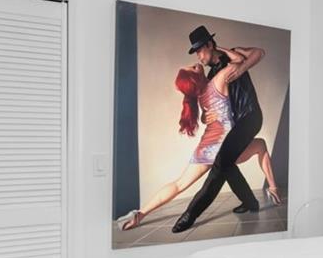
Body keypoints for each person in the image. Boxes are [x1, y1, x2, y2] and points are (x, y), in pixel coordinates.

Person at [117, 63, 281, 232]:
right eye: (192, 69)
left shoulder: (199, 96)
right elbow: (240, 62)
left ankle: (139, 214)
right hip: (226, 146)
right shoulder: (219, 79)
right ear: (196, 79)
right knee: (260, 145)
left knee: (179, 184)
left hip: (206, 148)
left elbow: (211, 109)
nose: (195, 64)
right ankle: (273, 189)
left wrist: (204, 117)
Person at [170, 25, 267, 233]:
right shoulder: (211, 75)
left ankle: (190, 214)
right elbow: (211, 107)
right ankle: (250, 202)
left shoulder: (234, 54)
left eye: (199, 50)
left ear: (209, 44)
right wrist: (205, 117)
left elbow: (260, 53)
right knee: (226, 163)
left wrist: (241, 68)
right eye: (195, 52)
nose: (198, 56)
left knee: (221, 163)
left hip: (250, 117)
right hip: (235, 125)